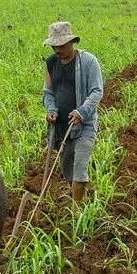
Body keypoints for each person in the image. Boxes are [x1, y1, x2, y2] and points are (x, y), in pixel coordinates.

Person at [42, 21, 103, 202]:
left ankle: (77, 212)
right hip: (62, 127)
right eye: (54, 46)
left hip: (84, 125)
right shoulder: (51, 63)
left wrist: (82, 112)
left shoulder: (88, 61)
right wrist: (51, 109)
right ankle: (80, 199)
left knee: (80, 169)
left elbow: (96, 91)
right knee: (67, 168)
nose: (57, 50)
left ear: (71, 42)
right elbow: (48, 92)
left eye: (61, 45)